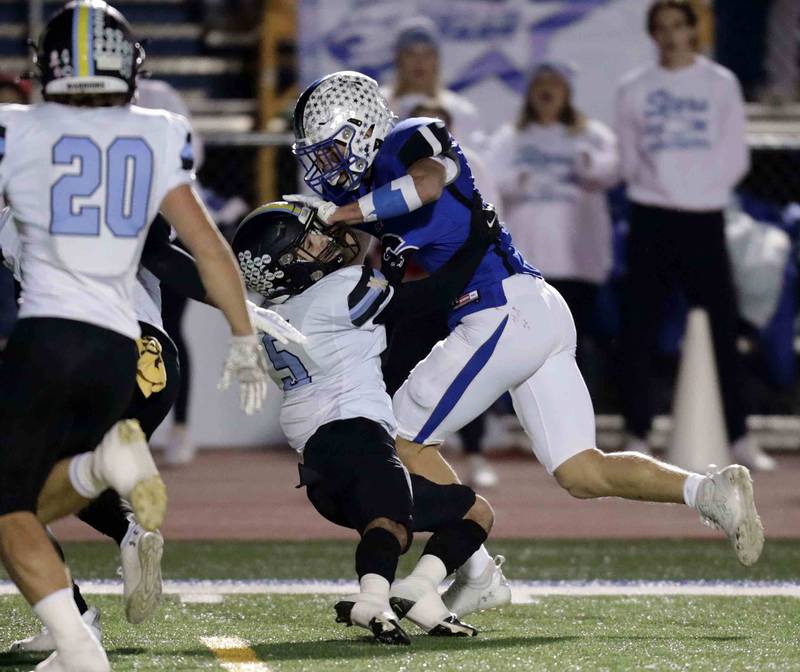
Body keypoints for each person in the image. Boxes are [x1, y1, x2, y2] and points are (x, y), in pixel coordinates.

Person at [286, 71, 765, 619]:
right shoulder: (362, 196)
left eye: (330, 150)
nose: (324, 168)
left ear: (365, 129)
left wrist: (345, 215)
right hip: (527, 312)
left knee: (398, 441)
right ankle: (711, 493)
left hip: (501, 309)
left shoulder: (410, 138)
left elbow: (426, 184)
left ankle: (474, 569)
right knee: (582, 472)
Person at [0, 2, 278, 670]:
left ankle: (81, 648)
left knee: (8, 507)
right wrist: (243, 337)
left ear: (48, 66)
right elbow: (208, 247)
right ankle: (79, 626)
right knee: (27, 500)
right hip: (118, 347)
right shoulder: (157, 131)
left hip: (48, 338)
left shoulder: (15, 129)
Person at [232, 201, 500, 641]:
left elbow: (365, 334)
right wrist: (478, 243)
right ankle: (372, 602)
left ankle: (420, 592)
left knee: (472, 512)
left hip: (325, 460)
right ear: (287, 266)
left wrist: (385, 258)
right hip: (352, 434)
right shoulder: (337, 290)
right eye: (311, 242)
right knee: (390, 519)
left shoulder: (276, 312)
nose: (326, 242)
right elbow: (431, 297)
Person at [616, 0, 774, 470]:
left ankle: (739, 437)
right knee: (638, 329)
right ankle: (636, 432)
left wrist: (699, 190)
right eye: (660, 28)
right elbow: (628, 157)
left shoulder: (720, 84)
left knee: (722, 330)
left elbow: (735, 156)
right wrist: (663, 189)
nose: (669, 36)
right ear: (653, 34)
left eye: (677, 27)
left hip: (704, 219)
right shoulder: (634, 89)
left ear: (693, 31)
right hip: (651, 216)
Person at [487, 61, 619, 374]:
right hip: (528, 261)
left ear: (567, 91)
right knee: (527, 346)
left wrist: (589, 165)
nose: (547, 90)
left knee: (573, 342)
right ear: (530, 93)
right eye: (540, 84)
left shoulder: (592, 134)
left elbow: (613, 170)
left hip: (578, 261)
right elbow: (490, 180)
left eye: (555, 83)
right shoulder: (510, 137)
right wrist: (519, 181)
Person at [381, 17, 482, 147]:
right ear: (399, 58)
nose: (419, 62)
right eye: (411, 54)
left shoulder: (459, 111)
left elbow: (472, 159)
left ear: (436, 59)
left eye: (427, 54)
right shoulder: (378, 105)